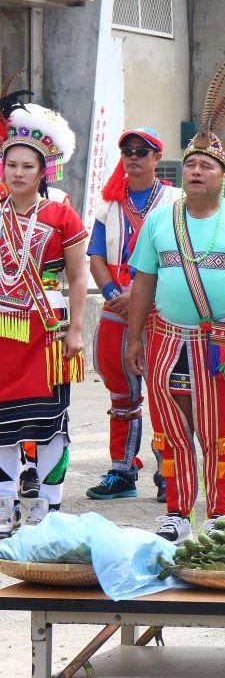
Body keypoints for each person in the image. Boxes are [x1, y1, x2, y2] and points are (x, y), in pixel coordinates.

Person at [124, 51, 225, 541]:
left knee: (220, 431)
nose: (195, 171)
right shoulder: (160, 218)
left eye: (205, 166)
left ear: (222, 176)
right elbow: (143, 283)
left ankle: (217, 513)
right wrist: (133, 339)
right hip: (169, 339)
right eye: (189, 164)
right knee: (171, 430)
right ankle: (175, 511)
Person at [0, 100, 86, 536]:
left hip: (48, 332)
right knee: (2, 422)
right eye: (11, 164)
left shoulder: (61, 216)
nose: (18, 173)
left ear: (42, 170)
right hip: (2, 331)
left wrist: (75, 330)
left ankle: (48, 508)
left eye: (26, 166)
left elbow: (77, 276)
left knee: (50, 422)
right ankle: (3, 504)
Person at [85, 128, 180, 502]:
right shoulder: (108, 203)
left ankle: (169, 473)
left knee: (165, 394)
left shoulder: (175, 202)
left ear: (158, 158)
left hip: (159, 310)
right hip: (116, 310)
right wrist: (112, 292)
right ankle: (122, 472)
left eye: (143, 151)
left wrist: (141, 295)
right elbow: (94, 256)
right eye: (128, 151)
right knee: (121, 394)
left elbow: (182, 257)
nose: (134, 157)